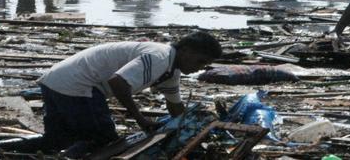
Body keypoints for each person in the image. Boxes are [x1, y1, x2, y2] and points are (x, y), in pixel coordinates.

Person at [37, 31, 222, 156]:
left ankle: (9, 151)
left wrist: (192, 130)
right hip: (79, 84)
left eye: (204, 65)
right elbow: (118, 83)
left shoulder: (171, 70)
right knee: (105, 141)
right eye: (200, 61)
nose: (200, 68)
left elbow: (174, 106)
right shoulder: (160, 57)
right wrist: (140, 119)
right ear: (186, 51)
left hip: (56, 80)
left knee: (55, 141)